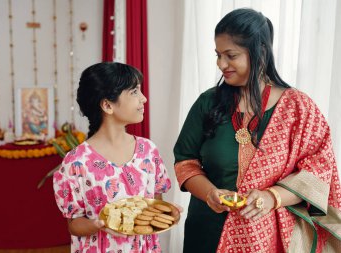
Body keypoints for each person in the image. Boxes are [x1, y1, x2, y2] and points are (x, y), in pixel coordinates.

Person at [173, 8, 341, 253]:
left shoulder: (298, 108)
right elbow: (185, 161)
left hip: (269, 238)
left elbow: (318, 176)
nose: (221, 64)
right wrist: (210, 193)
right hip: (208, 231)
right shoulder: (207, 102)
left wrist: (271, 197)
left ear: (260, 52)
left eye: (231, 55)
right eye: (218, 55)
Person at [53, 62, 172, 252]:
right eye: (134, 92)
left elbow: (156, 202)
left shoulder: (148, 151)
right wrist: (99, 224)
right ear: (107, 105)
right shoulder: (76, 162)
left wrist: (166, 212)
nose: (144, 99)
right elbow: (74, 224)